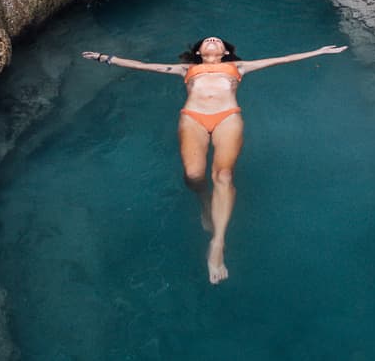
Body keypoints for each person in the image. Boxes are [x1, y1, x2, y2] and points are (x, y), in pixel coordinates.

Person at [83, 36, 347, 284]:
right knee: (194, 176)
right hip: (193, 117)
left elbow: (281, 59)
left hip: (227, 116)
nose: (212, 40)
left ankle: (218, 243)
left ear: (225, 52)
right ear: (198, 52)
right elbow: (142, 65)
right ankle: (204, 201)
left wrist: (319, 51)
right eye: (207, 40)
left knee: (223, 175)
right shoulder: (185, 69)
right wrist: (105, 58)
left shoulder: (238, 67)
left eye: (217, 41)